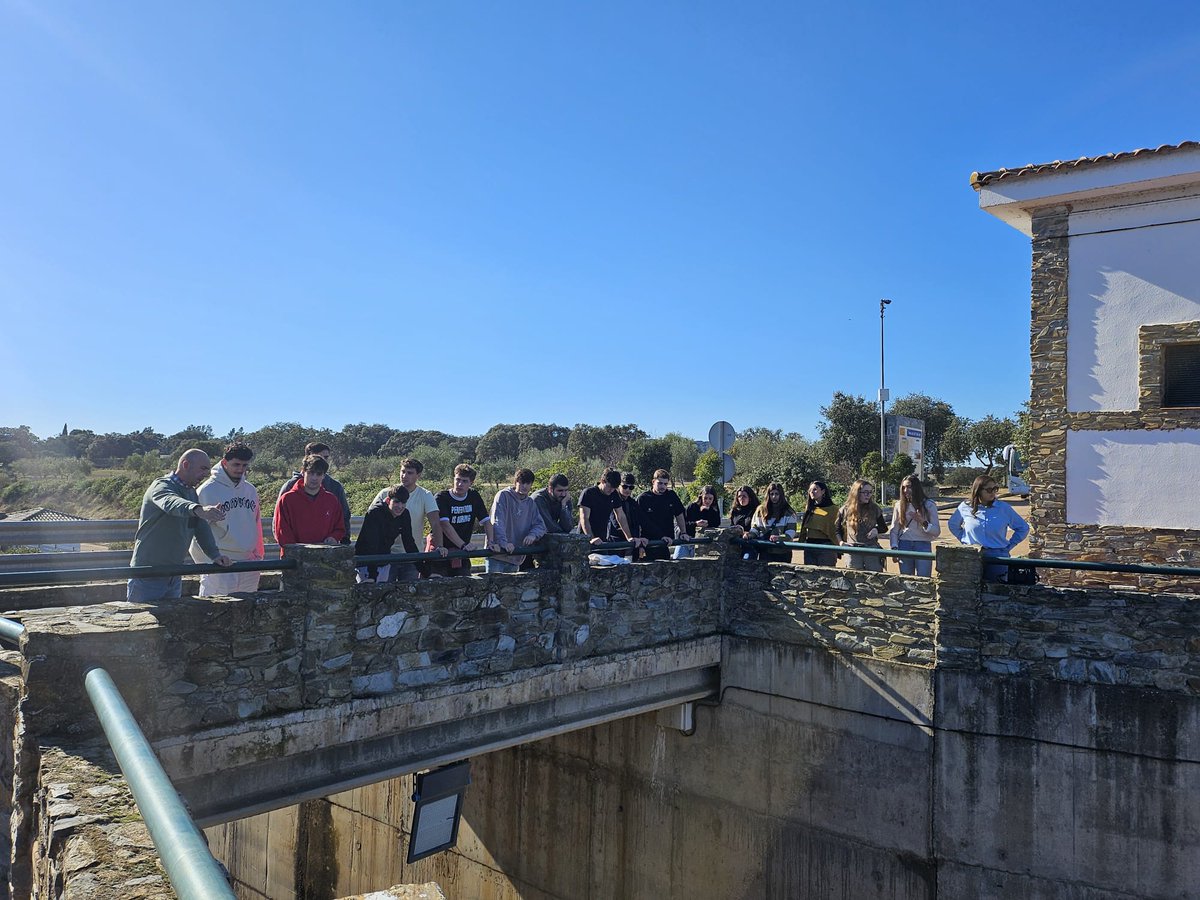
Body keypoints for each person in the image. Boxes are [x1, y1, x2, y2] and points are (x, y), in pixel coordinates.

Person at [128, 449, 232, 602]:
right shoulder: (161, 486)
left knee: (172, 621)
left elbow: (199, 526)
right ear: (185, 464)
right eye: (203, 469)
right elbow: (170, 502)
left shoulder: (191, 492)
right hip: (148, 574)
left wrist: (215, 555)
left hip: (174, 574)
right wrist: (197, 509)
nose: (206, 474)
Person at [189, 441, 264, 596]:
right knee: (214, 614)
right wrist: (207, 562)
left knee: (247, 614)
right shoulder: (206, 490)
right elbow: (195, 530)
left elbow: (256, 524)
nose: (240, 469)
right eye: (236, 464)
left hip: (248, 563)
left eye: (244, 466)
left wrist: (258, 555)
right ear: (224, 462)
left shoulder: (250, 490)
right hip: (219, 564)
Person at [368, 458, 445, 579]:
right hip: (387, 555)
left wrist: (440, 546)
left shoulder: (425, 495)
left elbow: (435, 523)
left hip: (412, 555)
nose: (404, 476)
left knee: (409, 594)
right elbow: (370, 519)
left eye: (410, 473)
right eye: (403, 471)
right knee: (384, 593)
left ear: (418, 475)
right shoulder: (385, 493)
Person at [948, 475, 1030, 582]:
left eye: (995, 489)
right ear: (978, 490)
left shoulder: (1004, 508)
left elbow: (1023, 528)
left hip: (998, 557)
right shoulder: (965, 506)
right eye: (989, 489)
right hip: (972, 556)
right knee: (969, 590)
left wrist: (1009, 546)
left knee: (997, 591)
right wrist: (964, 540)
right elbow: (953, 525)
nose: (993, 492)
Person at [277, 442, 352, 545]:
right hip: (294, 558)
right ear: (303, 472)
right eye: (311, 473)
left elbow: (341, 525)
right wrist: (298, 551)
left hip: (325, 557)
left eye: (319, 474)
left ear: (324, 475)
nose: (314, 478)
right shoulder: (287, 498)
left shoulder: (332, 499)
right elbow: (281, 530)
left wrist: (334, 537)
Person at [436, 464, 496, 577]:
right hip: (441, 550)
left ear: (471, 483)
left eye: (464, 481)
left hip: (462, 552)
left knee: (464, 583)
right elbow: (445, 525)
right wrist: (463, 545)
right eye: (457, 480)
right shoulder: (442, 497)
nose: (459, 484)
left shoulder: (474, 496)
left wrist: (491, 542)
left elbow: (486, 521)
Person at [355, 485, 418, 583]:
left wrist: (426, 571)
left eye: (403, 503)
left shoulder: (404, 514)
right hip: (365, 564)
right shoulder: (375, 513)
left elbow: (409, 542)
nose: (400, 506)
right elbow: (372, 544)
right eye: (396, 502)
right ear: (388, 500)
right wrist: (372, 575)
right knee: (368, 594)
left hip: (384, 563)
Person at [489, 468, 547, 573]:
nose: (524, 486)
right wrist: (504, 543)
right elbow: (497, 522)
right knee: (492, 588)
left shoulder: (530, 503)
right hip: (497, 555)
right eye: (521, 482)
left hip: (516, 557)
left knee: (512, 589)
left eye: (528, 483)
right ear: (516, 482)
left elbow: (540, 525)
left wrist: (532, 535)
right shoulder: (503, 496)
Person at [580, 468, 647, 551]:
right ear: (602, 481)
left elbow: (621, 516)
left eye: (614, 488)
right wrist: (591, 538)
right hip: (584, 540)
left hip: (602, 541)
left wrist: (629, 537)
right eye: (609, 487)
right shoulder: (588, 493)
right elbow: (584, 518)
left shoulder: (614, 494)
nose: (611, 490)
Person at [889, 475, 941, 577]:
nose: (905, 490)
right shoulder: (899, 505)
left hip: (923, 545)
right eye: (903, 487)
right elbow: (894, 530)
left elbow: (936, 531)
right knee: (906, 580)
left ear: (916, 487)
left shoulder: (929, 505)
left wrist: (923, 522)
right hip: (904, 545)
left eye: (909, 487)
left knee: (924, 579)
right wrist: (894, 548)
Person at [836, 479, 889, 572]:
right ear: (856, 493)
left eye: (870, 492)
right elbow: (837, 529)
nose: (868, 495)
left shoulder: (875, 508)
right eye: (865, 492)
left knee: (875, 580)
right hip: (853, 551)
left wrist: (876, 530)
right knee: (854, 580)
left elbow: (884, 528)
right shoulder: (845, 509)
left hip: (871, 550)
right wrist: (841, 542)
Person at [636, 469, 687, 561]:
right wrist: (639, 542)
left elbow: (679, 514)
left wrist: (683, 532)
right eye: (660, 483)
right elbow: (639, 522)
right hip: (648, 543)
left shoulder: (671, 496)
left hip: (666, 543)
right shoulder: (643, 499)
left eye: (665, 484)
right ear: (653, 482)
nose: (663, 486)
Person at [749, 482, 797, 563]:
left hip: (783, 552)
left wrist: (779, 538)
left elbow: (791, 533)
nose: (774, 497)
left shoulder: (788, 512)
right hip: (766, 551)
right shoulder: (761, 510)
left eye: (777, 494)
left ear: (781, 495)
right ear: (768, 495)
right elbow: (756, 527)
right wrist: (750, 534)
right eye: (772, 494)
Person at [797, 480, 839, 567]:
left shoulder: (833, 509)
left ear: (823, 491)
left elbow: (836, 529)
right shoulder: (809, 509)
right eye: (810, 490)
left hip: (826, 547)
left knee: (826, 575)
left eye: (815, 489)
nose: (812, 492)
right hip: (810, 546)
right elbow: (804, 529)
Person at [608, 473, 646, 559]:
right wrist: (632, 537)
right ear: (618, 486)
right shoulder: (612, 500)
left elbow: (640, 522)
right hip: (615, 543)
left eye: (631, 487)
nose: (628, 490)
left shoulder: (633, 503)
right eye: (625, 486)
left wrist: (639, 540)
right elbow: (616, 523)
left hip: (632, 544)